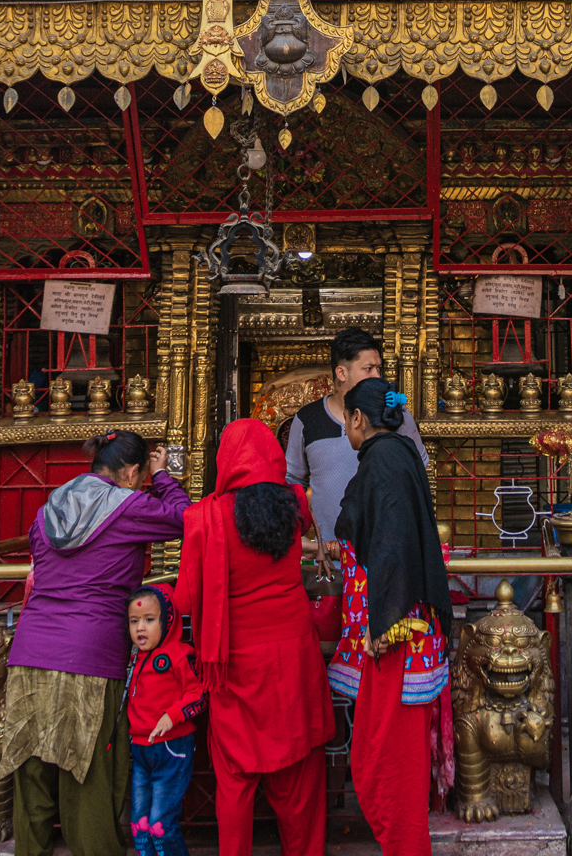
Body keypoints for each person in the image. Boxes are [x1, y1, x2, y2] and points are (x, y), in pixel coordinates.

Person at [2, 431, 191, 856]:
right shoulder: (129, 504)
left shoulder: (50, 506)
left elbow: (39, 557)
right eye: (141, 474)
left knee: (30, 768)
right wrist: (162, 479)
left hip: (30, 648)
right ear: (130, 472)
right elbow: (185, 519)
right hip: (89, 652)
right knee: (84, 768)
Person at [175, 417, 333, 856]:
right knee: (299, 774)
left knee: (235, 779)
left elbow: (186, 600)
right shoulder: (294, 503)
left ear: (225, 460)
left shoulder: (204, 517)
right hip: (293, 656)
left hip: (236, 662)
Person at [331, 379, 453, 856]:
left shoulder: (383, 461)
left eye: (347, 418)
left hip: (396, 634)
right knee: (384, 759)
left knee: (385, 763)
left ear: (359, 419)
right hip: (399, 626)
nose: (346, 428)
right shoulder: (400, 456)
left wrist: (385, 622)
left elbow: (394, 542)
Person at [286, 327, 428, 544]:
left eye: (378, 369)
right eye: (368, 369)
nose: (377, 377)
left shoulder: (395, 414)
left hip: (384, 555)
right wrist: (300, 536)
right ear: (341, 373)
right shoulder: (308, 419)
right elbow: (292, 481)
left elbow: (419, 471)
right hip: (327, 560)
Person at [124, 582, 206, 856]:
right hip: (140, 749)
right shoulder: (134, 658)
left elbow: (199, 692)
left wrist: (172, 716)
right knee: (140, 824)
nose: (140, 628)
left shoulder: (179, 655)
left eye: (149, 620)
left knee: (160, 824)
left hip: (171, 748)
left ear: (167, 620)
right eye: (134, 621)